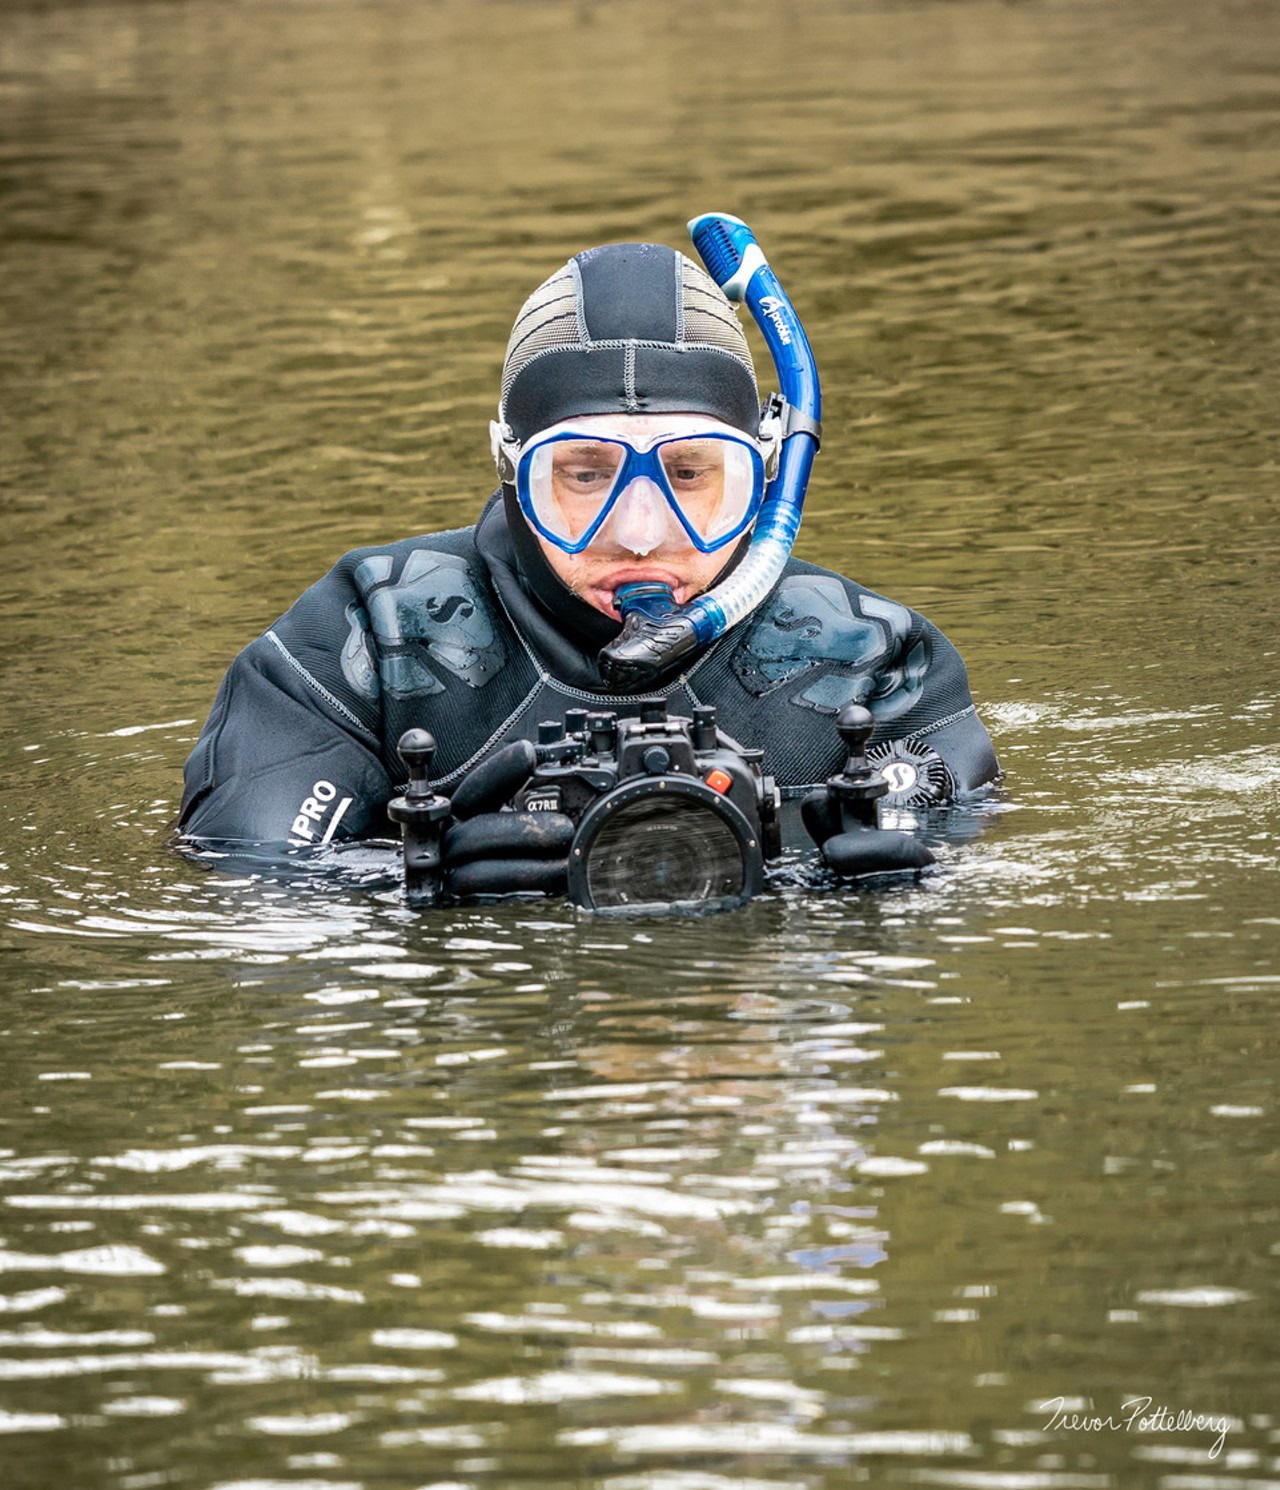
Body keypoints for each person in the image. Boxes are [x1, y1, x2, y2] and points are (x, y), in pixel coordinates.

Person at [179, 236, 1000, 892]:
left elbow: (967, 839)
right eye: (583, 475)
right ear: (509, 469)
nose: (640, 535)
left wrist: (855, 875)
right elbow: (245, 885)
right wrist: (417, 878)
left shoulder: (869, 659)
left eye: (688, 474)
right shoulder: (364, 638)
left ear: (762, 472)